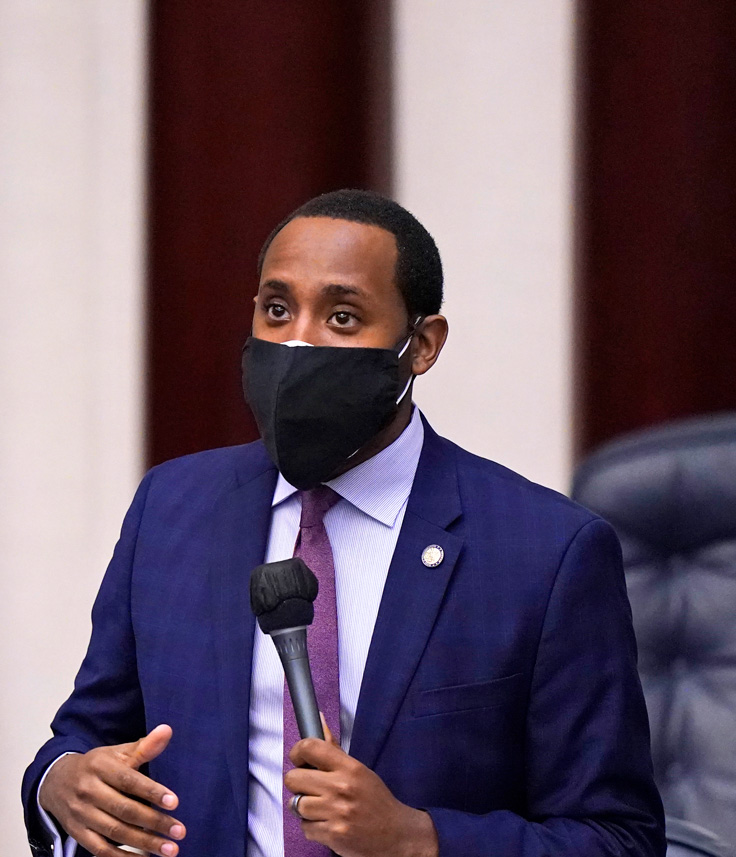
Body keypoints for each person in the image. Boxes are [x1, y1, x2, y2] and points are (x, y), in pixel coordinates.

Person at [23, 189, 665, 857]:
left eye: (342, 316)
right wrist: (59, 782)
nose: (298, 343)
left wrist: (418, 838)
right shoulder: (173, 506)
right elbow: (89, 733)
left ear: (421, 345)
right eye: (277, 309)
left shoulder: (547, 550)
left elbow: (617, 838)